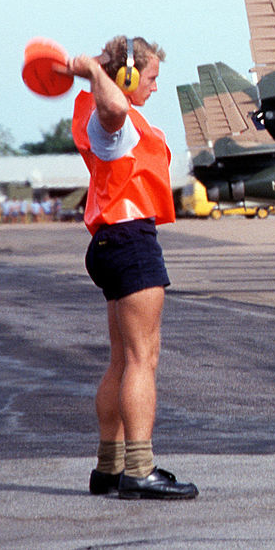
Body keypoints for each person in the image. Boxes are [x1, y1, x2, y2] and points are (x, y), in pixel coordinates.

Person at [68, 36, 198, 501]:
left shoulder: (92, 112)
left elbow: (109, 105)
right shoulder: (113, 121)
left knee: (122, 358)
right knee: (144, 360)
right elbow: (114, 110)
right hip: (130, 239)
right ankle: (139, 469)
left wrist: (94, 70)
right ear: (125, 77)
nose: (156, 87)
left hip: (109, 241)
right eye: (152, 78)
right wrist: (101, 73)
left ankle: (108, 467)